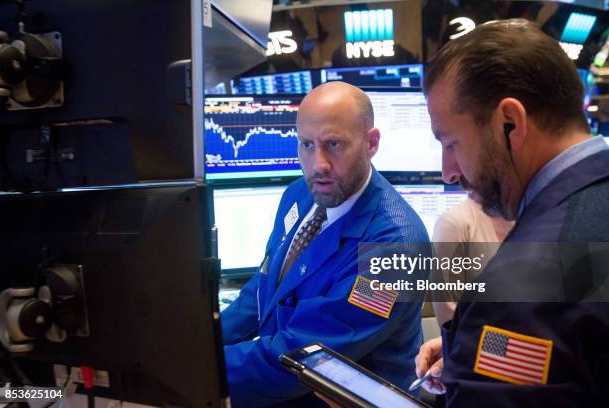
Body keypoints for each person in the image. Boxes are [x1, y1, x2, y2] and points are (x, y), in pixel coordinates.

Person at [414, 19, 609, 406]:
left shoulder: (522, 287)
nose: (448, 172)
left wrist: (486, 337)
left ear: (510, 123)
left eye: (451, 142)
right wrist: (466, 347)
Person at [221, 81, 429, 407]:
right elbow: (262, 290)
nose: (318, 164)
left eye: (333, 144)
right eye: (306, 144)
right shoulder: (299, 195)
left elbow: (307, 354)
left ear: (371, 142)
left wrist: (204, 368)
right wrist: (200, 344)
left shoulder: (397, 248)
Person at [431, 196, 514, 325]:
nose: (448, 178)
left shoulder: (532, 216)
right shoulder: (454, 224)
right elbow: (450, 321)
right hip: (480, 341)